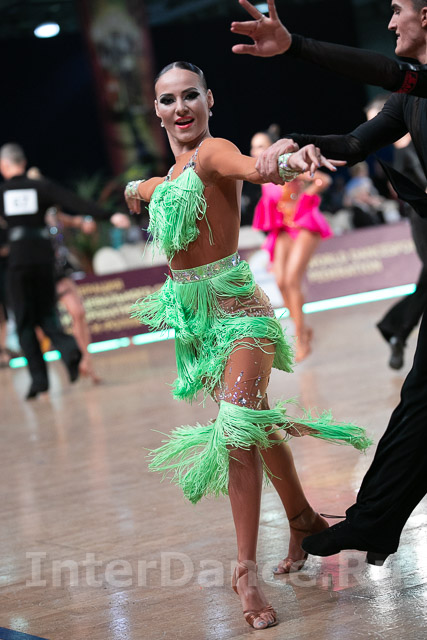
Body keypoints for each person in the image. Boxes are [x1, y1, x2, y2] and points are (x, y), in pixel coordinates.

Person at [124, 61, 371, 629]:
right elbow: (154, 188)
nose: (181, 108)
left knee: (237, 429)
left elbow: (252, 169)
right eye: (168, 100)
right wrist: (136, 189)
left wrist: (284, 164)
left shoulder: (213, 152)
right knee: (255, 423)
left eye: (191, 96)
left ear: (209, 100)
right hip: (196, 324)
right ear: (156, 110)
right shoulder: (172, 173)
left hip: (240, 314)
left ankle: (245, 570)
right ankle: (304, 519)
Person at [231, 0, 427, 565]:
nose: (390, 22)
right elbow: (357, 143)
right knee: (420, 398)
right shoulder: (410, 98)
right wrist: (299, 142)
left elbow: (389, 71)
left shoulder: (413, 81)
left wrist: (297, 46)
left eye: (398, 10)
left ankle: (374, 522)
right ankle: (373, 521)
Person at [0, 143, 128, 399]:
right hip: (43, 260)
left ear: (4, 165)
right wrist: (108, 215)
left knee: (25, 322)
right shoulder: (39, 187)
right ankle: (70, 349)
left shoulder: (2, 192)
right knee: (47, 316)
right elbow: (73, 201)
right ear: (23, 163)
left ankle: (39, 380)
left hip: (17, 262)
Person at [251, 131, 332, 361]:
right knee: (280, 281)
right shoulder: (261, 175)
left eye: (261, 146)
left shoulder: (287, 166)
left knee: (292, 279)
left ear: (273, 148)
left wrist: (304, 199)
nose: (256, 151)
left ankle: (301, 336)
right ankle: (303, 328)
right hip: (284, 229)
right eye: (254, 147)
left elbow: (323, 180)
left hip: (303, 224)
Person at [364, 96, 427, 369]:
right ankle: (396, 330)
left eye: (376, 122)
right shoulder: (397, 152)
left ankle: (396, 331)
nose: (374, 130)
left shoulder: (417, 139)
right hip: (421, 219)